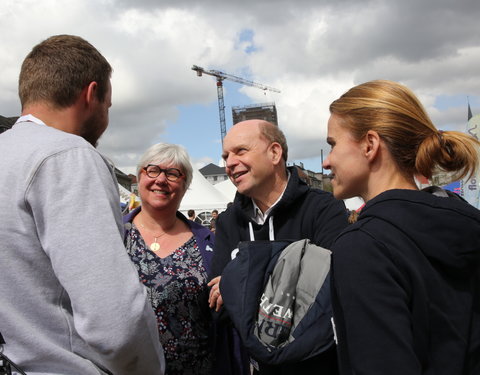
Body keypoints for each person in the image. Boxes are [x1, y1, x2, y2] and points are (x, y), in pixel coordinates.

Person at [0, 35, 165, 374]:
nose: (106, 115)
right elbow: (116, 320)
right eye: (108, 105)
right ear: (91, 94)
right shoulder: (68, 156)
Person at [323, 79, 480, 375]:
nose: (327, 162)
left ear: (370, 145)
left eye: (332, 144)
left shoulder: (363, 246)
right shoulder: (467, 221)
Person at [208, 119, 349, 375]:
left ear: (274, 153)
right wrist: (294, 274)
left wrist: (239, 281)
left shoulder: (323, 209)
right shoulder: (228, 222)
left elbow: (334, 295)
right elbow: (219, 309)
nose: (229, 163)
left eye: (240, 151)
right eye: (226, 155)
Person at [123, 143, 216, 375]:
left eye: (173, 173)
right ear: (139, 177)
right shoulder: (113, 235)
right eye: (152, 170)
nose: (161, 180)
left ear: (185, 186)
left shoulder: (206, 242)